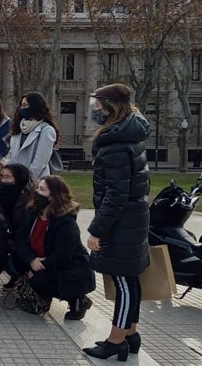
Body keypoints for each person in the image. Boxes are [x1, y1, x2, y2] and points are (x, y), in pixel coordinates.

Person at [82, 84, 150, 360]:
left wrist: (97, 230)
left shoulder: (116, 145)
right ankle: (130, 334)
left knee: (123, 282)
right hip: (132, 220)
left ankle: (116, 340)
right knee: (130, 280)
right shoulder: (128, 136)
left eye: (98, 105)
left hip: (122, 224)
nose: (95, 110)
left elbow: (116, 194)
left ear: (110, 106)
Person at [13, 176, 95, 321]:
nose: (37, 192)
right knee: (14, 262)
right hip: (37, 259)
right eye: (37, 188)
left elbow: (63, 255)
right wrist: (31, 260)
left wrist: (40, 266)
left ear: (54, 196)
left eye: (42, 190)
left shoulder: (66, 222)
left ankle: (77, 298)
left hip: (67, 267)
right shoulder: (32, 213)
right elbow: (20, 239)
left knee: (39, 281)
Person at [0, 163, 34, 291]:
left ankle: (22, 276)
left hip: (25, 241)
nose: (3, 181)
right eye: (1, 177)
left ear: (18, 179)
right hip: (8, 237)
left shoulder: (30, 198)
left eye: (7, 177)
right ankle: (15, 275)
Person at [5, 92, 59, 179]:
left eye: (25, 105)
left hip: (35, 180)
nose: (22, 108)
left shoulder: (46, 130)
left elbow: (40, 161)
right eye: (21, 105)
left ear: (35, 107)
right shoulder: (18, 128)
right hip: (15, 179)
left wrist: (27, 179)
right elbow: (11, 155)